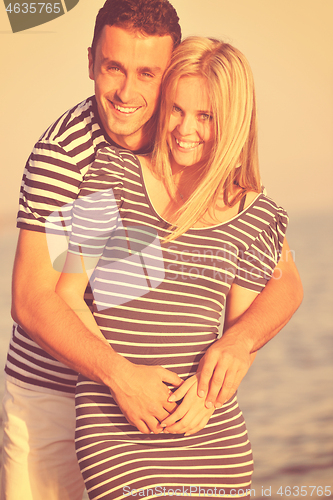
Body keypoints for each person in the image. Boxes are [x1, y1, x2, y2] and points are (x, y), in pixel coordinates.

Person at [1, 1, 302, 499]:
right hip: (52, 397)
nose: (127, 93)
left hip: (158, 406)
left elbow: (282, 279)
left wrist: (237, 344)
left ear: (173, 70)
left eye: (147, 73)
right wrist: (120, 376)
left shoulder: (192, 138)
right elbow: (36, 298)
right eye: (113, 68)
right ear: (91, 61)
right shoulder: (69, 156)